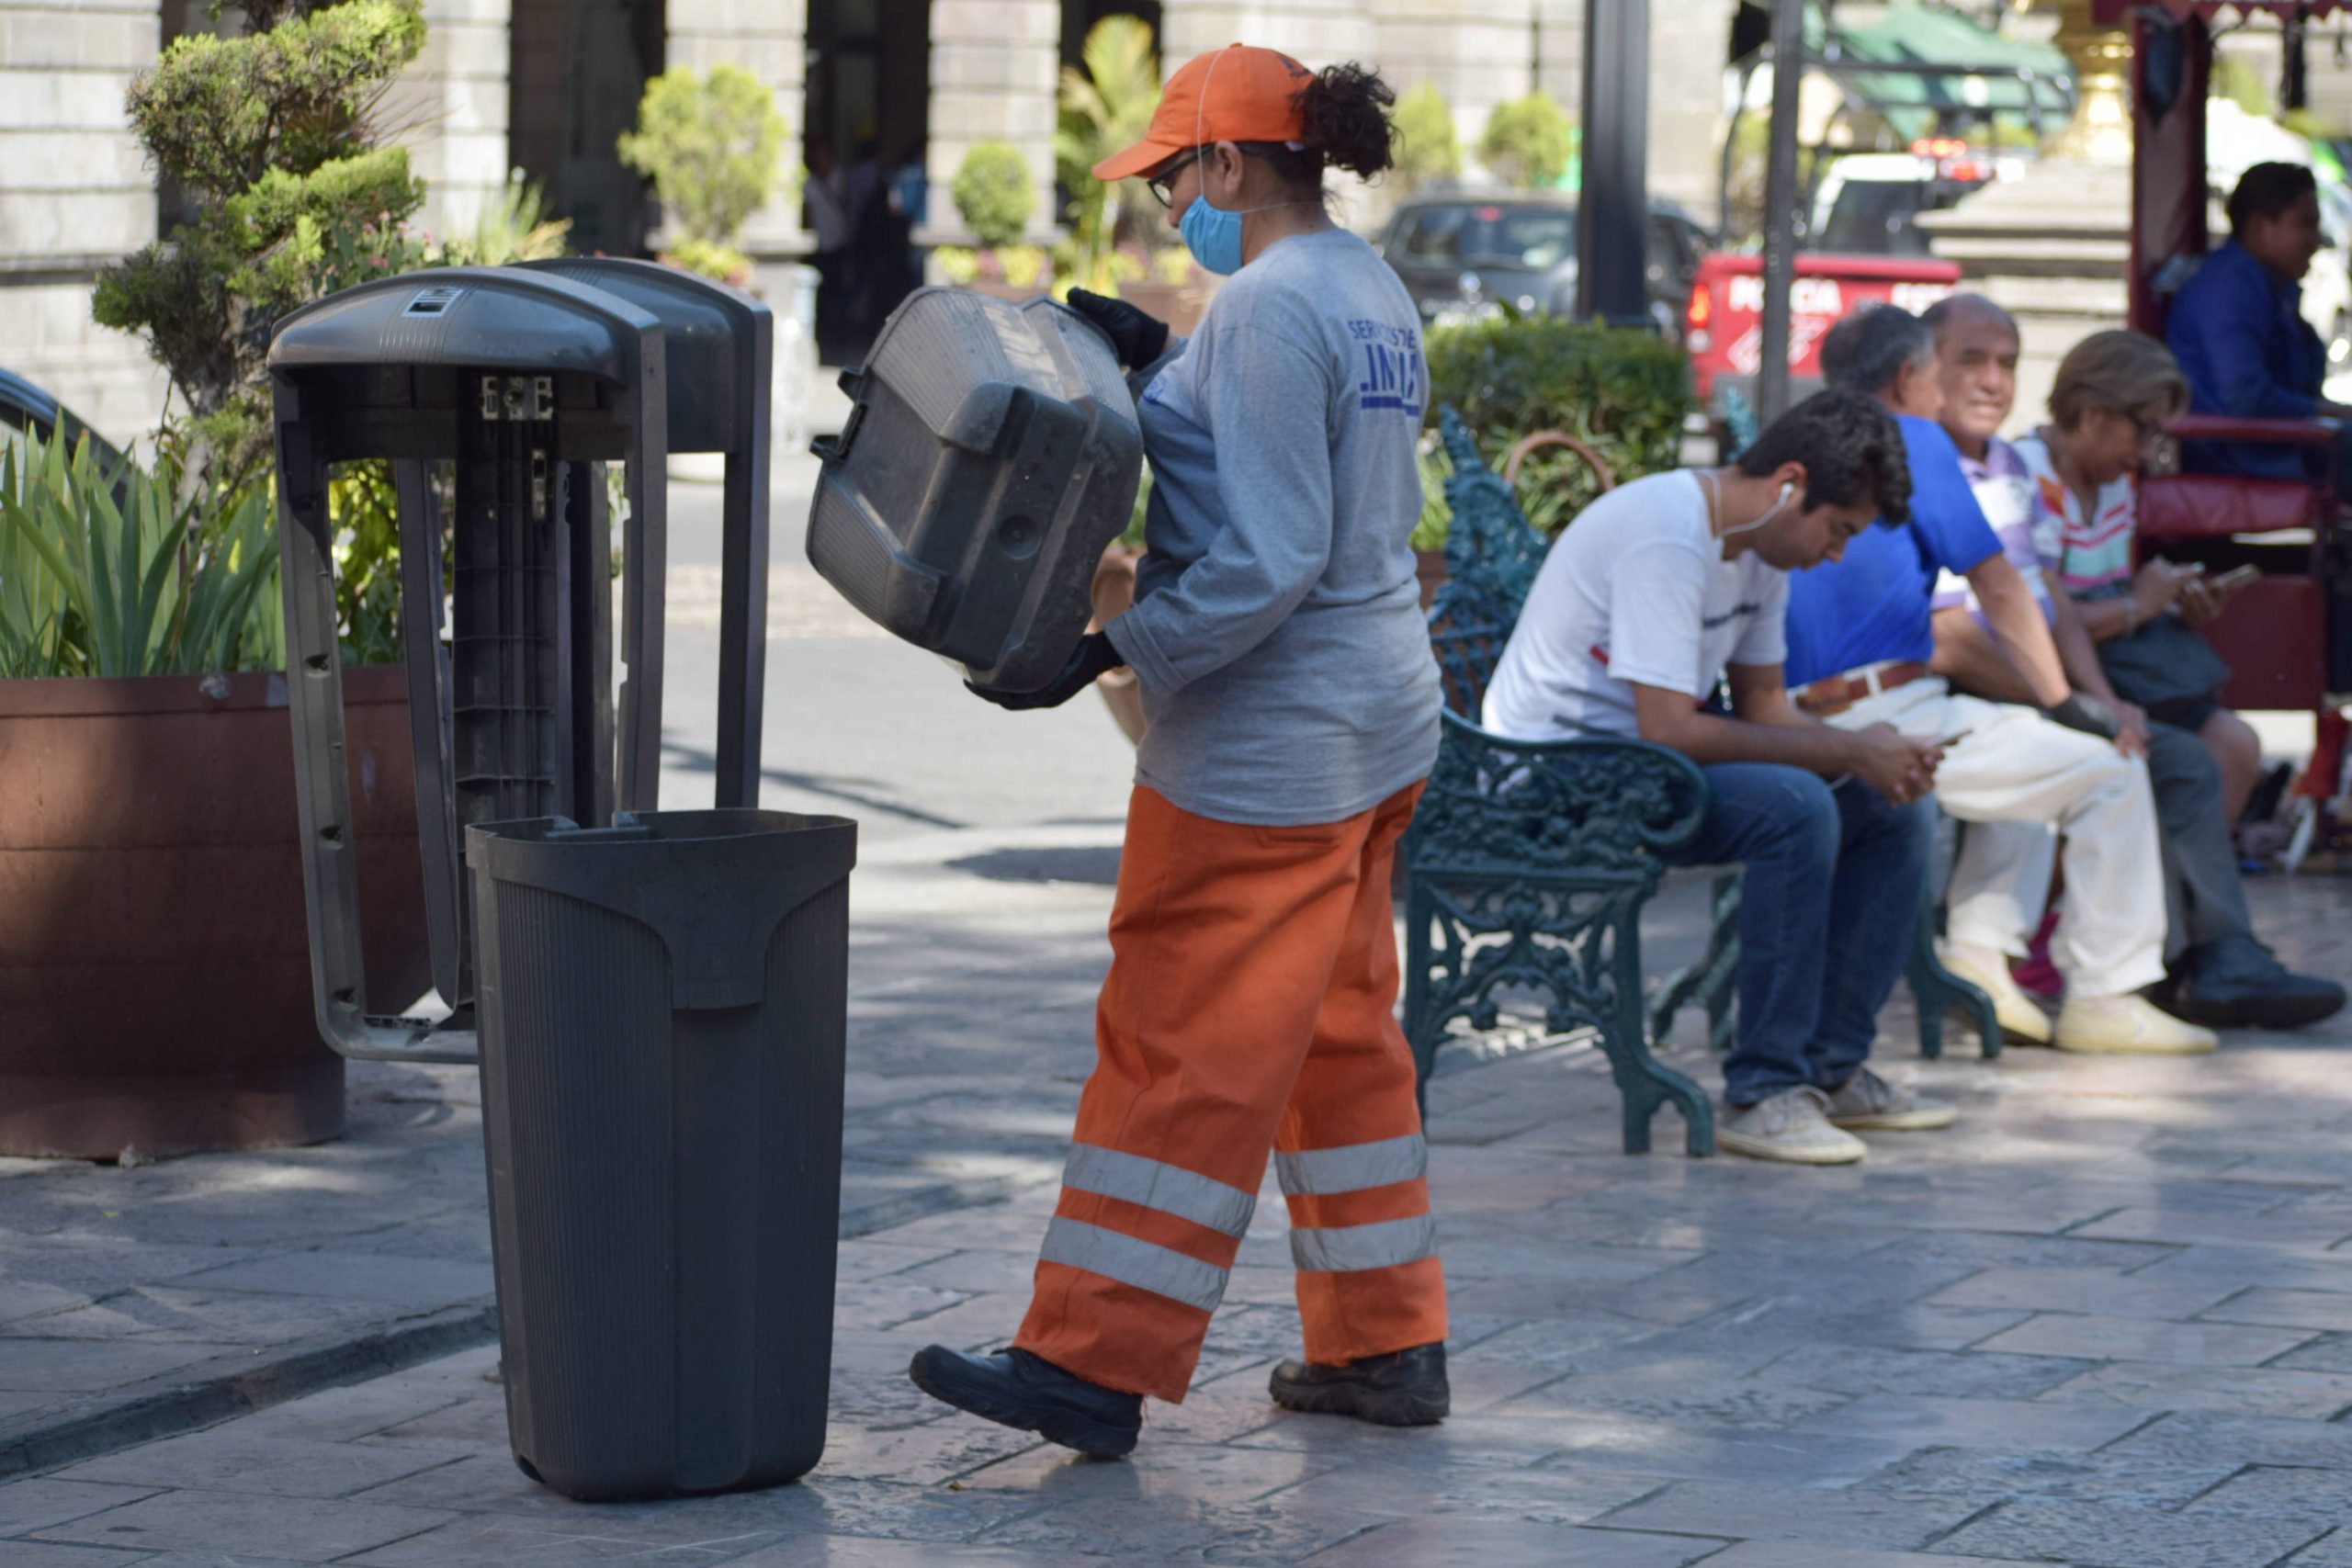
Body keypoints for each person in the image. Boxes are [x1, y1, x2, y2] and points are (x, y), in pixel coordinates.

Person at [910, 47, 1450, 1458]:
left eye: (1169, 177)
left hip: (1270, 752)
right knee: (1340, 1043)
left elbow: (1269, 554)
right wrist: (1160, 374)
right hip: (1380, 716)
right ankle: (1387, 1341)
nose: (1164, 206)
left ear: (1226, 167)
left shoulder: (1269, 308)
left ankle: (1088, 1361)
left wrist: (1108, 651)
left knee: (1177, 1047)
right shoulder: (1365, 285)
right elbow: (1310, 473)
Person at [1484, 391, 1947, 1166]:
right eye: (1837, 530)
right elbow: (1670, 728)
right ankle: (1764, 1091)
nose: (1835, 554)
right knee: (1795, 807)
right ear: (1789, 484)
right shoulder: (1668, 534)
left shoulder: (1761, 550)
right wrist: (1844, 752)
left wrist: (1869, 749)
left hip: (1633, 763)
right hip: (1550, 775)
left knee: (1890, 808)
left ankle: (1829, 1069)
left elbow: (1766, 705)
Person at [1786, 304, 2219, 1055]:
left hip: (1787, 709)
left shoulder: (1797, 433)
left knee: (2032, 752)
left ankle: (1982, 959)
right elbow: (2002, 586)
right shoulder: (1914, 439)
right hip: (1879, 711)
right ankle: (2106, 993)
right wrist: (2064, 702)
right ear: (1909, 376)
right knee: (2105, 766)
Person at [1941, 322, 2338, 1029]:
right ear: (2094, 413)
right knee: (2179, 756)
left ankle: (2186, 945)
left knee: (2234, 744)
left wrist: (2159, 603)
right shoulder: (2027, 476)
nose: (2148, 451)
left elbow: (2094, 607)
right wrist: (2134, 614)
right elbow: (2041, 620)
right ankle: (2201, 954)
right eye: (2144, 430)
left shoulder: (2113, 486)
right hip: (2029, 677)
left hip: (2101, 665)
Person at [2167, 162, 2352, 494]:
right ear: (2258, 226)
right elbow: (2245, 396)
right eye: (2305, 225)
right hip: (2233, 451)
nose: (2315, 241)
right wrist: (2332, 411)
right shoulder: (2232, 286)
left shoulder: (2271, 286)